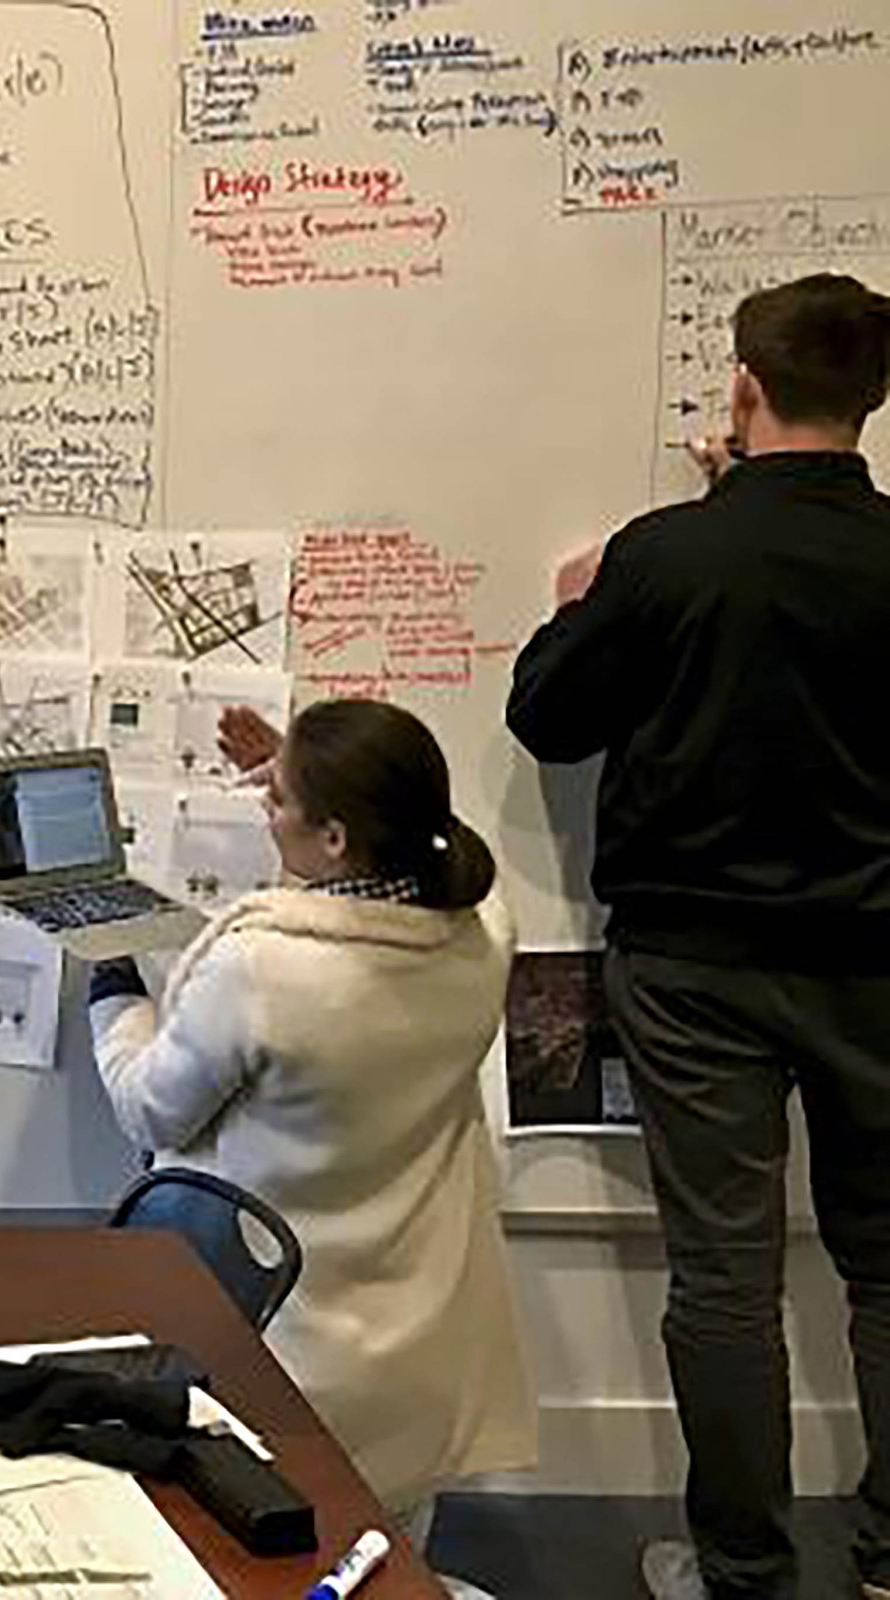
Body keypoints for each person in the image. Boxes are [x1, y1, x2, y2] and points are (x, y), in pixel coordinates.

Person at [507, 272, 890, 1600]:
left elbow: (549, 717)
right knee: (888, 1264)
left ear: (743, 386)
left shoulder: (669, 554)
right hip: (879, 961)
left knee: (723, 1275)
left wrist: (582, 598)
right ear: (874, 402)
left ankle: (744, 1569)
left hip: (694, 966)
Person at [88, 698, 533, 1555]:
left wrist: (111, 988)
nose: (266, 806)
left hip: (289, 1336)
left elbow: (148, 1106)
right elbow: (413, 840)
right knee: (387, 1546)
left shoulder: (264, 967)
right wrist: (295, 769)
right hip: (418, 1334)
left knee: (268, 1542)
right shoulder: (485, 935)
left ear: (333, 839)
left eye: (280, 797)